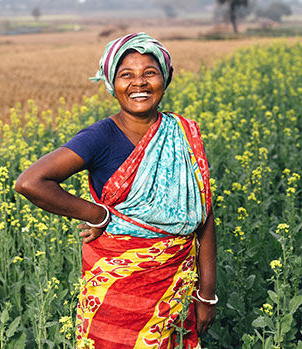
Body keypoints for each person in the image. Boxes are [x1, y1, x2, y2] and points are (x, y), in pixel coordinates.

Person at [15, 32, 217, 348]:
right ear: (112, 85)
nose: (139, 83)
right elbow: (30, 182)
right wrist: (96, 213)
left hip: (178, 287)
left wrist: (207, 294)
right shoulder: (99, 137)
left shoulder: (182, 134)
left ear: (164, 80)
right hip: (115, 295)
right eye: (126, 75)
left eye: (150, 72)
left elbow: (203, 216)